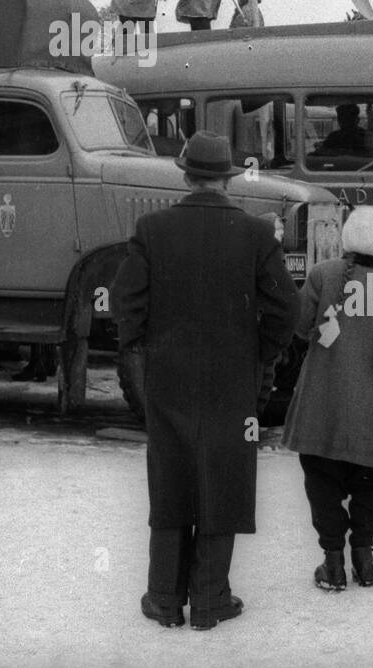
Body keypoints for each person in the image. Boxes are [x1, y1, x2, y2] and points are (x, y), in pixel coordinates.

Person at [111, 132, 299, 629]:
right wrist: (260, 354)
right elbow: (288, 308)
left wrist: (141, 350)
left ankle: (163, 599)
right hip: (232, 381)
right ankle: (211, 600)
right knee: (221, 481)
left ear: (186, 174)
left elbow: (124, 300)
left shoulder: (151, 229)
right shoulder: (257, 235)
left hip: (168, 377)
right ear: (227, 178)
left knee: (171, 482)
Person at [281, 207, 373, 590]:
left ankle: (332, 564)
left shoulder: (322, 275)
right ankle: (365, 560)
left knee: (322, 481)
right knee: (371, 484)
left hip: (323, 402)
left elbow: (301, 325)